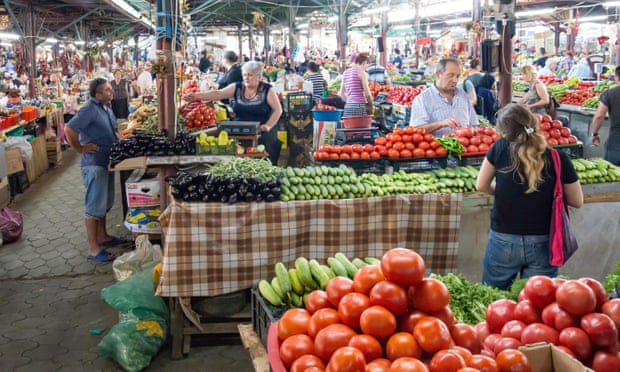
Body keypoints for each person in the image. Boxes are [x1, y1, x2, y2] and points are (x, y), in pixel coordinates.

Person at [475, 103, 583, 290]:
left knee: (492, 299)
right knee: (535, 304)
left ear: (505, 130)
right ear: (534, 123)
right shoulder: (558, 158)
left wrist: (501, 192)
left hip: (503, 237)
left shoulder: (499, 148)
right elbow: (577, 201)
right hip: (543, 240)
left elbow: (481, 185)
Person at [64, 78, 127, 262]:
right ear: (98, 94)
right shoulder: (89, 108)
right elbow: (69, 130)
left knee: (104, 203)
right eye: (107, 90)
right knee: (94, 206)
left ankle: (103, 236)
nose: (111, 92)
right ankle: (93, 249)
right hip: (94, 164)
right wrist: (80, 148)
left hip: (106, 162)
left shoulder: (106, 107)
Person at [183, 61, 283, 165]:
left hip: (263, 134)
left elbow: (278, 110)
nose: (246, 78)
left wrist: (268, 126)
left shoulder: (267, 90)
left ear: (259, 76)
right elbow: (218, 94)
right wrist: (196, 96)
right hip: (240, 132)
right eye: (244, 75)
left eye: (250, 75)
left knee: (264, 163)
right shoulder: (237, 87)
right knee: (239, 164)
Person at [409, 57, 477, 137]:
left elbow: (474, 125)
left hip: (465, 148)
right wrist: (440, 124)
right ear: (438, 74)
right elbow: (416, 130)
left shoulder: (463, 96)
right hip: (436, 148)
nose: (455, 80)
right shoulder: (423, 99)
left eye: (458, 76)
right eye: (451, 75)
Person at [591, 66, 620, 165]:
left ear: (617, 78)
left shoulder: (610, 94)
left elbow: (599, 116)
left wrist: (595, 133)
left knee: (615, 176)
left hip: (616, 144)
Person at [339, 52, 373, 117]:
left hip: (348, 107)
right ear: (364, 62)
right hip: (359, 107)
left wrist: (350, 102)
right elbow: (367, 93)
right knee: (360, 126)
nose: (366, 68)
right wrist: (371, 106)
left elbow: (341, 94)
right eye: (367, 65)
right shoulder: (361, 73)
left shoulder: (345, 73)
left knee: (350, 126)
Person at [463, 59, 497, 124]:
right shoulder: (481, 77)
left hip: (474, 107)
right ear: (478, 66)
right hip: (483, 109)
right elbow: (492, 108)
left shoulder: (467, 77)